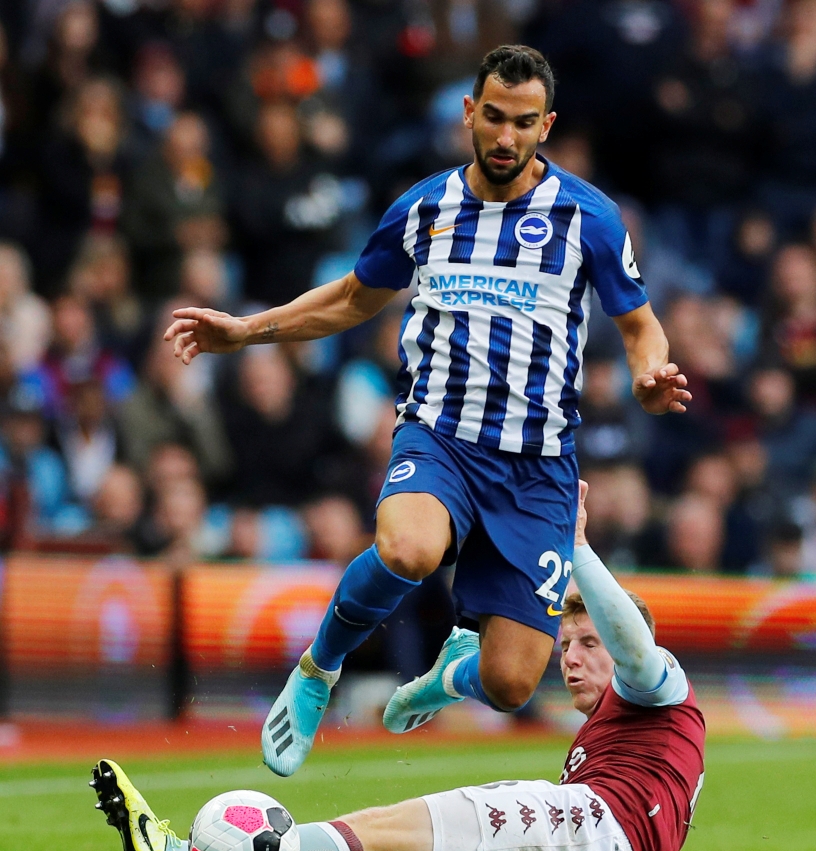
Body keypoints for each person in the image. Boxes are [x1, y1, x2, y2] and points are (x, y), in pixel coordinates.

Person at [164, 45, 691, 778]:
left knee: (510, 684)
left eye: (524, 123)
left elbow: (638, 325)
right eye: (495, 118)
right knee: (408, 550)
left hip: (535, 469)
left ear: (547, 126)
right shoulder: (423, 209)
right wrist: (249, 330)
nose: (506, 138)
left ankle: (450, 673)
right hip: (439, 435)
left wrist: (645, 377)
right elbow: (353, 297)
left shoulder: (587, 218)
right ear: (469, 114)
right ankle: (318, 671)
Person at [91, 480, 706, 851]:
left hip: (596, 831)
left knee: (374, 833)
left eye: (588, 642)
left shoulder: (661, 692)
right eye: (565, 643)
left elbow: (635, 649)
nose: (570, 657)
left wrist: (574, 547)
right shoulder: (614, 732)